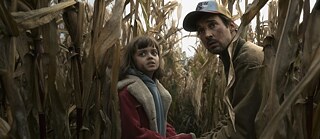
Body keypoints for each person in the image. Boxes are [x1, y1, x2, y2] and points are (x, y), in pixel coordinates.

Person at [183, 0, 264, 139]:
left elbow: (242, 130)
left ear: (231, 26)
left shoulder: (248, 60)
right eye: (201, 30)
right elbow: (233, 118)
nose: (207, 34)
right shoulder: (233, 59)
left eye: (212, 25)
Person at [117, 36, 196, 139]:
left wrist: (174, 135)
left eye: (154, 53)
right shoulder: (128, 92)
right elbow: (133, 132)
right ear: (131, 60)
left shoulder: (157, 89)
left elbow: (162, 123)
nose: (150, 57)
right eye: (142, 54)